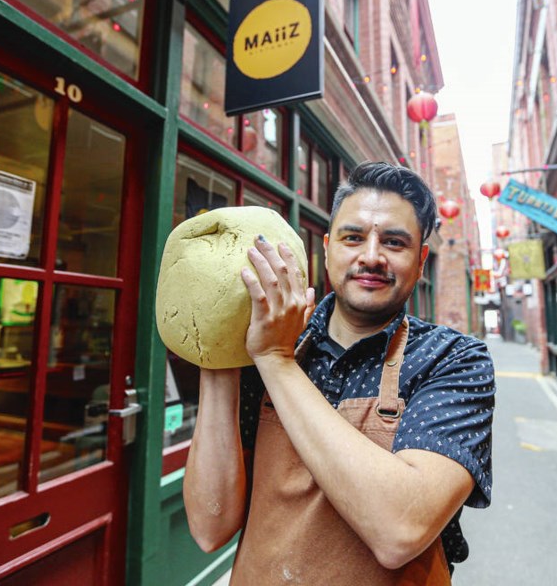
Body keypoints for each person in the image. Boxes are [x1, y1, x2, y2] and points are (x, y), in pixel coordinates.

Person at [183, 161, 495, 584]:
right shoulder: (265, 344)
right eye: (353, 238)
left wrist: (276, 359)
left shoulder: (453, 360)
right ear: (327, 248)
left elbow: (399, 531)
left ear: (421, 260)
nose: (370, 256)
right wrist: (219, 352)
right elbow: (209, 528)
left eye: (394, 242)